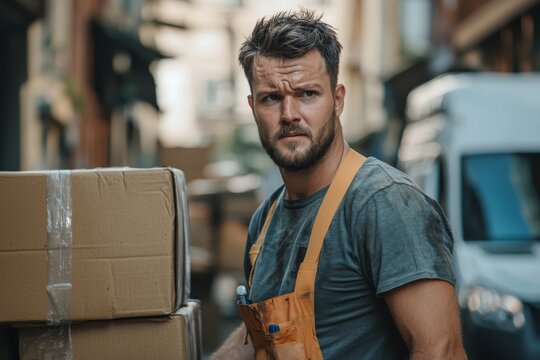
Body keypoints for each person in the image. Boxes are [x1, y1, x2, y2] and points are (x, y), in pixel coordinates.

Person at [212, 9, 467, 360]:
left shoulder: (384, 202)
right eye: (272, 98)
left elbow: (441, 351)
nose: (289, 115)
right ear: (253, 106)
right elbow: (267, 335)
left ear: (338, 100)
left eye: (307, 94)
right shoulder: (264, 221)